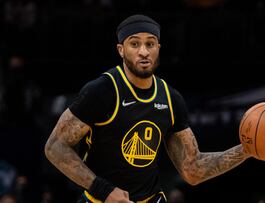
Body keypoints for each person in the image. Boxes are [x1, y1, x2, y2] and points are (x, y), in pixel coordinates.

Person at [44, 14, 251, 203]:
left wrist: (247, 150)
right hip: (100, 199)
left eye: (150, 44)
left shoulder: (171, 99)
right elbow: (55, 147)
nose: (143, 51)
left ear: (158, 48)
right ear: (121, 49)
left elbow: (193, 170)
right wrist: (103, 190)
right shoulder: (102, 90)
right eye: (135, 44)